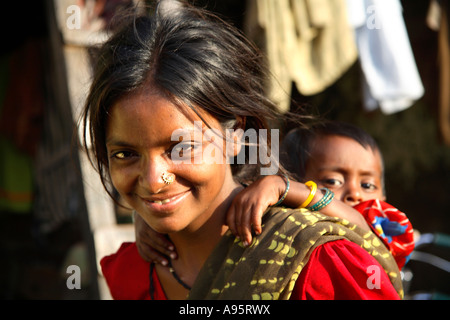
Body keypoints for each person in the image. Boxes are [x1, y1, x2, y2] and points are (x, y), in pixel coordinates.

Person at [82, 0, 402, 300]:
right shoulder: (132, 273)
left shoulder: (316, 264)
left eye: (182, 148)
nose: (154, 181)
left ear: (235, 137)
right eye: (125, 154)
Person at [138, 120, 414, 270]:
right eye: (333, 180)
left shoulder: (383, 221)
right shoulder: (284, 223)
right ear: (296, 175)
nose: (354, 193)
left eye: (368, 185)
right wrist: (151, 220)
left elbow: (361, 231)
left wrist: (284, 187)